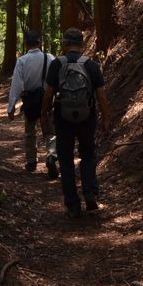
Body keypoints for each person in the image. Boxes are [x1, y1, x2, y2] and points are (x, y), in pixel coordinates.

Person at [41, 26, 110, 219]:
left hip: (63, 116)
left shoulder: (57, 64)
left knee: (65, 158)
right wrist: (106, 118)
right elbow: (101, 96)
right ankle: (90, 194)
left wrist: (44, 114)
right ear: (82, 44)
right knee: (87, 154)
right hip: (87, 116)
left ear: (65, 44)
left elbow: (48, 93)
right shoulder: (91, 65)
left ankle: (72, 203)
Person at [7, 31, 59, 177]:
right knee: (50, 131)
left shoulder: (22, 61)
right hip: (47, 100)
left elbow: (16, 84)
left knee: (30, 131)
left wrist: (11, 107)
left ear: (26, 44)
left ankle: (31, 161)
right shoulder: (50, 58)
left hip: (30, 101)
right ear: (39, 43)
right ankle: (51, 155)